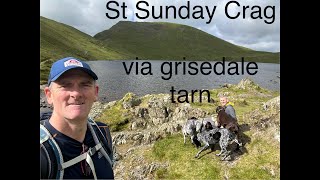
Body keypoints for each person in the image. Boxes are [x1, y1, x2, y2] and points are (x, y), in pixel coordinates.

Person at [40, 57, 114, 179]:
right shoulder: (42, 152)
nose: (76, 93)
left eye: (84, 85)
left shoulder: (102, 133)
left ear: (95, 92)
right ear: (49, 95)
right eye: (65, 85)